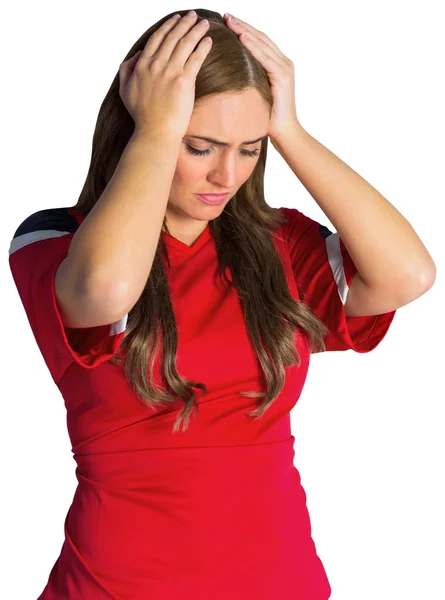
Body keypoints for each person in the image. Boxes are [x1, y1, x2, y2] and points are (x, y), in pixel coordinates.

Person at [7, 8, 435, 600]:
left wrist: (290, 130)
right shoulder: (56, 240)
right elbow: (105, 290)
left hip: (280, 579)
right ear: (140, 127)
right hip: (117, 584)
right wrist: (156, 130)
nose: (226, 175)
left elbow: (407, 275)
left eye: (249, 150)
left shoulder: (279, 245)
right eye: (200, 146)